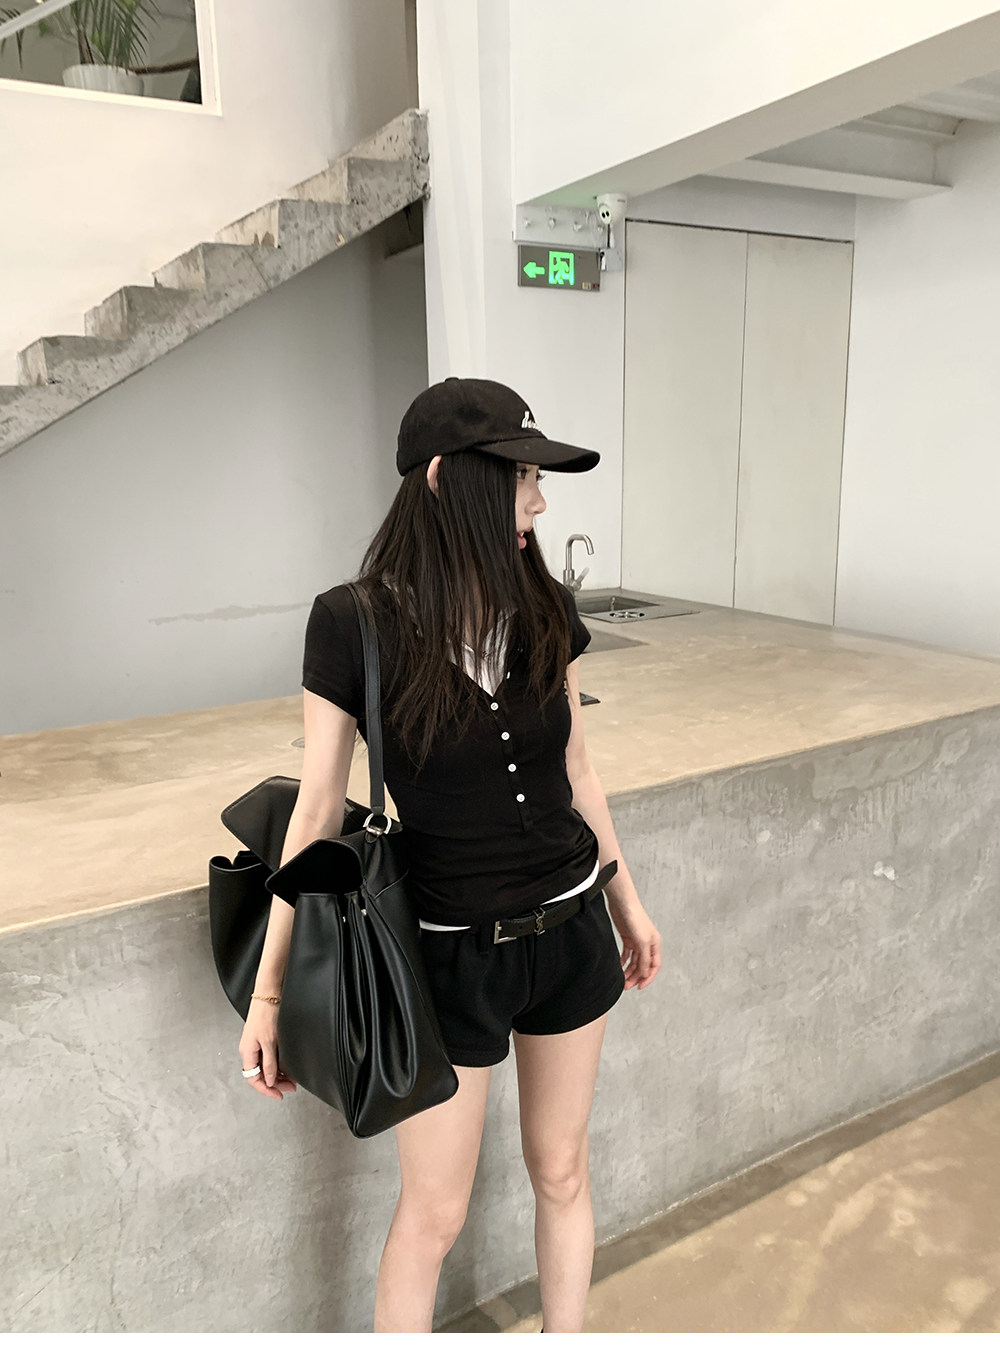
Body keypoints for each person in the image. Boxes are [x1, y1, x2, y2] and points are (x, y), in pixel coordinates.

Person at [238, 377, 661, 1333]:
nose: (538, 502)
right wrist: (268, 993)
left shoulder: (543, 604)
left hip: (570, 931)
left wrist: (627, 903)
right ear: (443, 479)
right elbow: (315, 813)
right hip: (445, 957)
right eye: (520, 478)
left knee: (563, 1169)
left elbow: (578, 773)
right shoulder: (352, 622)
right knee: (434, 1215)